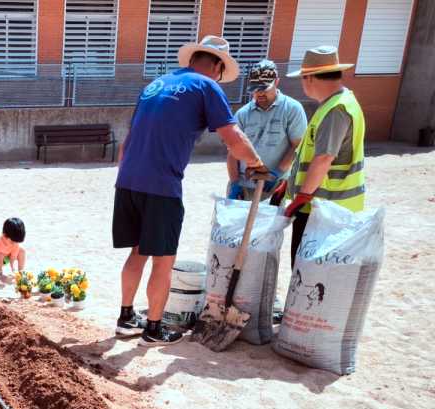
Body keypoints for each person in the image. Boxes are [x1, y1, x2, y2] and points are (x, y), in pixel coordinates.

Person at [113, 36, 266, 346]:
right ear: (218, 67)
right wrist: (257, 163)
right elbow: (232, 136)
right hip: (162, 186)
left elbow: (127, 142)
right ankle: (153, 329)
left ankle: (126, 317)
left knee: (137, 251)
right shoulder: (207, 87)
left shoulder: (155, 85)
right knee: (163, 259)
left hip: (128, 180)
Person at [271, 46, 365, 268]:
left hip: (324, 210)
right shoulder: (332, 105)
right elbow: (308, 154)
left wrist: (302, 196)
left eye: (303, 78)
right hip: (321, 208)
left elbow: (323, 158)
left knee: (308, 273)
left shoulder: (336, 109)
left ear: (310, 78)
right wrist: (289, 184)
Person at [226, 60, 307, 201]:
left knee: (269, 223)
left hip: (276, 187)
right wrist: (234, 183)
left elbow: (298, 145)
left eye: (264, 88)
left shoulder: (292, 109)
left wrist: (277, 173)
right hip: (244, 187)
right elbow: (233, 152)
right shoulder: (243, 114)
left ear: (276, 82)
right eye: (255, 89)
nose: (260, 94)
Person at [0, 217, 27, 284]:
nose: (15, 243)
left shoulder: (15, 242)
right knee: (0, 255)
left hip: (7, 257)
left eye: (16, 242)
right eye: (12, 242)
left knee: (21, 250)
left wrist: (13, 270)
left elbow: (13, 256)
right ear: (4, 235)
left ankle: (21, 271)